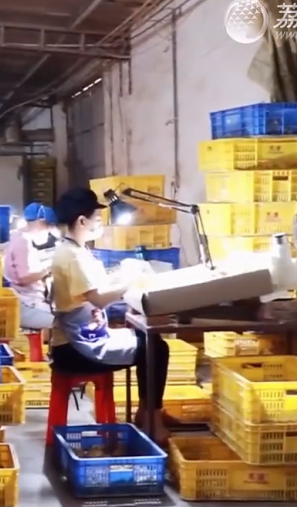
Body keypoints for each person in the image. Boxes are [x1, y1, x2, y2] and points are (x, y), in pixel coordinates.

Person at [48, 187, 173, 443]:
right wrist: (130, 281)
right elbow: (99, 298)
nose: (100, 223)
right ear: (81, 221)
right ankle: (151, 419)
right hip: (75, 348)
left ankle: (148, 413)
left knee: (150, 342)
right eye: (97, 218)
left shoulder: (76, 250)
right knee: (156, 349)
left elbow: (95, 287)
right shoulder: (70, 256)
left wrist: (123, 272)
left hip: (85, 336)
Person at [2, 202, 59, 332]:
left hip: (22, 299)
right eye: (48, 227)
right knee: (62, 324)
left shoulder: (14, 236)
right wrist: (49, 269)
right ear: (41, 222)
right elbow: (24, 278)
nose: (49, 232)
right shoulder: (23, 241)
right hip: (26, 303)